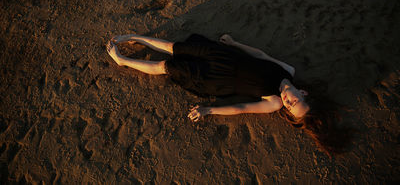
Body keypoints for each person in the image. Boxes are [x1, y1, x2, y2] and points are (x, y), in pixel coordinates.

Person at [106, 33, 351, 157]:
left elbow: (241, 108)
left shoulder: (274, 102)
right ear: (303, 92)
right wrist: (234, 43)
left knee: (166, 67)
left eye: (290, 108)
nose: (288, 102)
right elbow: (260, 55)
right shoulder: (288, 70)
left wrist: (208, 110)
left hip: (216, 80)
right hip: (225, 57)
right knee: (174, 47)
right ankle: (133, 37)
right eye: (295, 101)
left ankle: (122, 60)